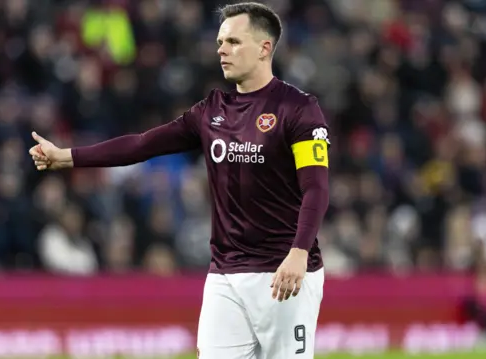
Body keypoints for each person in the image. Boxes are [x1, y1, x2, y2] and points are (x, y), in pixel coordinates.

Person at [29, 2, 330, 358]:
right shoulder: (211, 111)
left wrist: (298, 252)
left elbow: (316, 187)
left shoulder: (298, 109)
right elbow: (142, 144)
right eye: (220, 41)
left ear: (265, 48)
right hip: (225, 275)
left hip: (284, 272)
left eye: (233, 41)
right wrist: (67, 156)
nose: (221, 49)